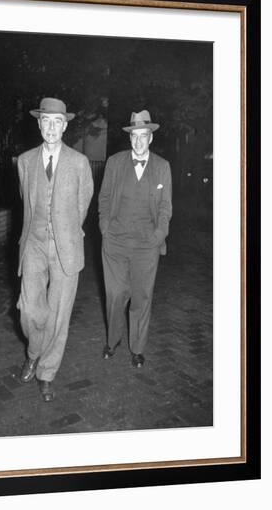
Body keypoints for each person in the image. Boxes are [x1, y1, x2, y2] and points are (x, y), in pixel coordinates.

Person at [16, 97, 94, 401]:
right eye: (46, 121)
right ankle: (34, 350)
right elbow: (26, 202)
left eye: (57, 122)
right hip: (33, 244)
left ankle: (46, 371)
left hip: (67, 247)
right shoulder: (25, 161)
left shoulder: (79, 163)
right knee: (30, 311)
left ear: (65, 125)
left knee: (59, 315)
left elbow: (81, 206)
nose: (51, 127)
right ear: (39, 124)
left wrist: (66, 233)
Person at [99, 110, 172, 368]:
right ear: (129, 138)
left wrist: (158, 235)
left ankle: (137, 348)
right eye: (134, 137)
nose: (139, 142)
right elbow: (105, 198)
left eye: (144, 136)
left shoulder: (162, 167)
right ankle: (113, 339)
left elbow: (165, 208)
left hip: (146, 246)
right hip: (115, 243)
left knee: (141, 297)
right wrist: (105, 227)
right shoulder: (115, 163)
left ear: (150, 138)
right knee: (116, 294)